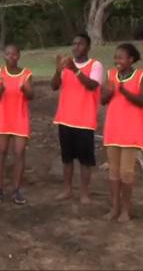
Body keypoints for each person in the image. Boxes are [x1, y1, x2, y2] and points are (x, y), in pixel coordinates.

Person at [51, 33, 103, 204]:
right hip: (65, 119)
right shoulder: (66, 66)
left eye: (80, 44)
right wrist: (58, 71)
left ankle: (84, 193)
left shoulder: (96, 65)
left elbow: (92, 85)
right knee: (66, 158)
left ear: (88, 47)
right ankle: (67, 189)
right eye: (74, 44)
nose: (76, 47)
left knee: (85, 160)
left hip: (85, 120)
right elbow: (54, 86)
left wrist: (75, 70)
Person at [101, 43, 143, 223]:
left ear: (130, 60)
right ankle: (114, 207)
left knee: (126, 172)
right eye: (116, 57)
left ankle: (126, 209)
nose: (117, 61)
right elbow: (103, 100)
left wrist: (123, 91)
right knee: (113, 171)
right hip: (113, 129)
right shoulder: (110, 75)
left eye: (121, 57)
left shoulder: (140, 75)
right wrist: (109, 92)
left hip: (131, 131)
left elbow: (141, 101)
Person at [0, 44, 34, 205]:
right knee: (0, 152)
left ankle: (16, 190)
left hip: (20, 118)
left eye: (14, 54)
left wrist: (26, 89)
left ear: (19, 56)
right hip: (2, 118)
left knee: (19, 153)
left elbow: (31, 96)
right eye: (8, 54)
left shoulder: (26, 74)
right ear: (4, 56)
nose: (11, 57)